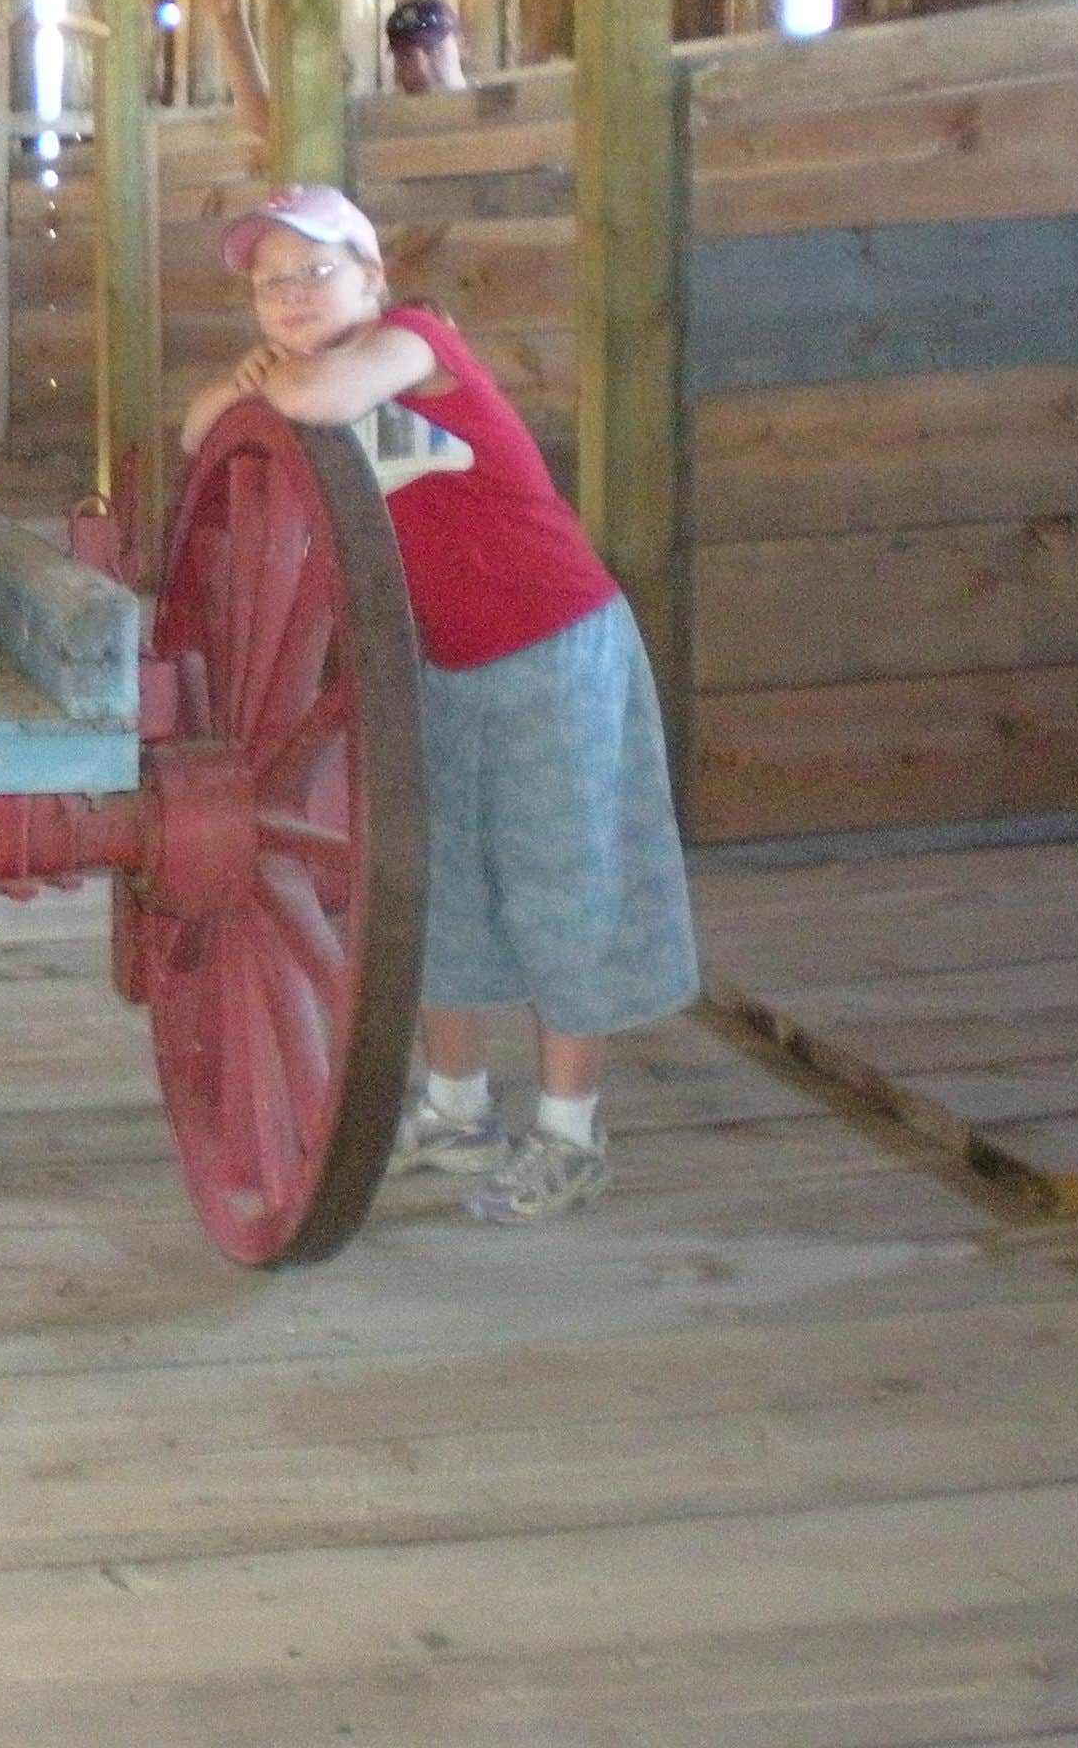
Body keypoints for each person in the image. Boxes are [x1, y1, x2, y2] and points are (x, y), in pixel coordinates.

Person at [178, 182, 696, 1223]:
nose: (288, 297)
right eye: (268, 285)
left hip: (552, 645)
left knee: (561, 878)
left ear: (374, 279)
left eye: (314, 271)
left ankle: (571, 1132)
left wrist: (273, 380)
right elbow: (204, 433)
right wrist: (255, 384)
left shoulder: (414, 342)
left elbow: (315, 401)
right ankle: (459, 1112)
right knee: (438, 883)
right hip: (436, 661)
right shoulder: (301, 378)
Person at [194, 0, 471, 140]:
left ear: (460, 45)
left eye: (431, 48)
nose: (419, 66)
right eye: (406, 55)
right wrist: (228, 17)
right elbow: (263, 119)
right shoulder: (379, 120)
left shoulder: (492, 110)